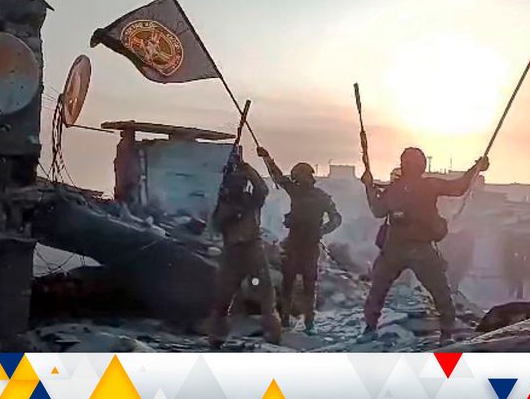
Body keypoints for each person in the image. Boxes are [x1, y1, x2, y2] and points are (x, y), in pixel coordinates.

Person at [359, 147, 489, 346]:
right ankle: (447, 333)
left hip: (397, 248)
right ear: (421, 165)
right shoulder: (427, 185)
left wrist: (369, 188)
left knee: (379, 290)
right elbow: (459, 187)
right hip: (417, 248)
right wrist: (475, 169)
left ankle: (370, 328)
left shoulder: (394, 189)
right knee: (440, 292)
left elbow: (377, 210)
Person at [257, 147, 342, 334]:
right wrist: (267, 158)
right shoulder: (298, 191)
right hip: (295, 244)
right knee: (291, 284)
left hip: (308, 246)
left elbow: (336, 218)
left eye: (298, 177)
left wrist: (321, 231)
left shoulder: (319, 196)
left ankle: (308, 322)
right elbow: (278, 177)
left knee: (308, 286)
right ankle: (288, 320)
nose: (296, 180)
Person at [208, 150, 282, 348]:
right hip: (232, 253)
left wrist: (247, 169)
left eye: (241, 182)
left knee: (266, 297)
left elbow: (262, 189)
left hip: (252, 250)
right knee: (223, 299)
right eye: (235, 182)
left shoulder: (251, 200)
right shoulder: (224, 204)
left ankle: (273, 334)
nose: (238, 185)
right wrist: (229, 211)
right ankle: (217, 337)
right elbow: (216, 225)